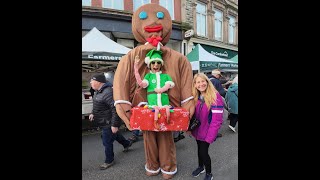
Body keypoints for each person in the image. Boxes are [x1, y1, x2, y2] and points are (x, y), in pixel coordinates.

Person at [113, 4, 195, 179]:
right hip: (146, 108)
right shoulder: (131, 57)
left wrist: (187, 105)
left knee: (166, 138)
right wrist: (123, 105)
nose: (153, 21)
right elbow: (125, 80)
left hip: (167, 108)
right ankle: (152, 164)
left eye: (159, 16)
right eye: (143, 17)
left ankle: (168, 167)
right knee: (148, 138)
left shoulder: (179, 59)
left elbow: (185, 85)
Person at [88, 73, 133, 170]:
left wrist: (114, 125)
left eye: (92, 80)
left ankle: (109, 160)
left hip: (108, 121)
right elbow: (96, 103)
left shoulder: (108, 92)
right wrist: (92, 113)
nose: (90, 82)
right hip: (104, 120)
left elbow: (115, 109)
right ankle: (126, 143)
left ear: (99, 82)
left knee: (106, 141)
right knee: (115, 135)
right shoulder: (98, 91)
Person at [189, 73, 224, 180]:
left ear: (207, 82)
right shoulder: (196, 96)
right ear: (194, 85)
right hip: (198, 130)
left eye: (203, 81)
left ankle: (209, 173)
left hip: (207, 132)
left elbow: (217, 120)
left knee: (204, 152)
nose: (201, 84)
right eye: (198, 82)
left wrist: (211, 136)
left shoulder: (215, 96)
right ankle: (201, 167)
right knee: (199, 150)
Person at [134, 51, 174, 129]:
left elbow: (169, 84)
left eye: (158, 62)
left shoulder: (166, 76)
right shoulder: (148, 76)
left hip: (164, 102)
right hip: (153, 103)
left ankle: (168, 120)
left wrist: (162, 89)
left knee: (167, 110)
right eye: (153, 63)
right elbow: (142, 84)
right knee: (155, 110)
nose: (156, 64)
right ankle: (155, 122)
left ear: (161, 64)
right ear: (150, 64)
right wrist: (136, 67)